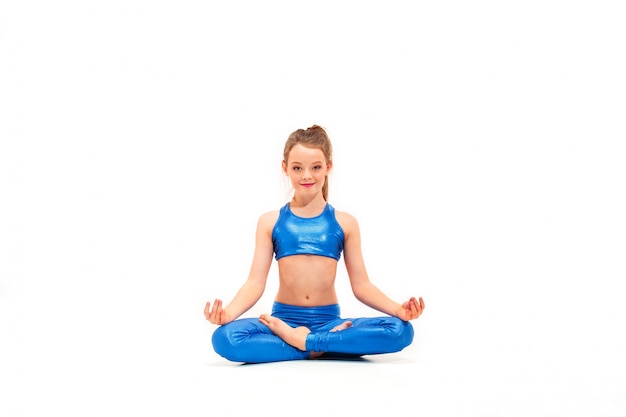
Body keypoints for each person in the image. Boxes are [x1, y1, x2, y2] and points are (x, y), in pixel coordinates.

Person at [204, 125, 425, 363]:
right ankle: (322, 346)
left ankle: (302, 342)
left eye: (316, 167)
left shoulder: (345, 223)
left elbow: (361, 285)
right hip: (283, 321)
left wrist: (397, 310)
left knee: (401, 330)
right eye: (297, 168)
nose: (307, 175)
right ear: (285, 168)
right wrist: (228, 313)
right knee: (225, 338)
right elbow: (255, 282)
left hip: (329, 322)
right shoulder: (270, 222)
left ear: (328, 167)